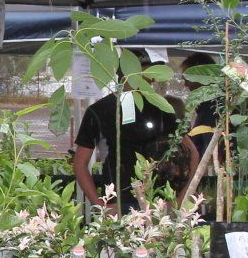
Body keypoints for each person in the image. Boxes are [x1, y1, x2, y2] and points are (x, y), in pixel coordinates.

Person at [72, 79, 198, 210]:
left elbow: (192, 153)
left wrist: (181, 199)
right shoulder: (100, 110)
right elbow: (80, 163)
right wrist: (100, 206)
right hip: (120, 201)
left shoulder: (161, 109)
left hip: (157, 200)